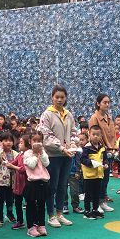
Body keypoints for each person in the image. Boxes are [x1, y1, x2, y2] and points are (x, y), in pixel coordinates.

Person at [38, 85, 75, 228]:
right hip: (53, 156)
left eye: (62, 97)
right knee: (52, 186)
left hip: (67, 156)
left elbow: (73, 131)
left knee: (62, 186)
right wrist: (61, 147)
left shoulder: (68, 114)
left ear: (66, 98)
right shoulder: (46, 115)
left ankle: (60, 213)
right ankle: (51, 215)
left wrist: (72, 144)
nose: (59, 100)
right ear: (52, 97)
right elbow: (46, 136)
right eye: (57, 97)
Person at [88, 93, 115, 212]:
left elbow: (113, 135)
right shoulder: (94, 118)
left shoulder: (109, 118)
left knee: (105, 178)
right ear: (98, 104)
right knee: (98, 179)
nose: (107, 104)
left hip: (109, 151)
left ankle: (102, 201)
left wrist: (112, 148)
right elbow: (94, 136)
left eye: (108, 102)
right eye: (104, 102)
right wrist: (104, 148)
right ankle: (96, 203)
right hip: (99, 152)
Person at [23, 132, 50, 238]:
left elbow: (46, 163)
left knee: (42, 204)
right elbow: (31, 165)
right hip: (32, 182)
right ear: (30, 142)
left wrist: (41, 153)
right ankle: (31, 227)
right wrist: (35, 154)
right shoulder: (27, 153)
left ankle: (41, 225)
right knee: (31, 205)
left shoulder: (43, 152)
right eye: (34, 140)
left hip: (43, 181)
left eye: (39, 140)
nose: (37, 143)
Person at [0, 131, 18, 227]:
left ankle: (10, 214)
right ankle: (0, 217)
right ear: (1, 142)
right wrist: (0, 149)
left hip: (12, 180)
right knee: (0, 200)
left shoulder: (15, 153)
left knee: (10, 199)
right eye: (6, 140)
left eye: (10, 140)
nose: (9, 142)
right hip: (0, 180)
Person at [80, 125, 106, 219]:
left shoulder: (102, 147)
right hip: (89, 175)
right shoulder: (87, 147)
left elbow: (104, 159)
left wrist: (106, 164)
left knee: (96, 193)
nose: (95, 136)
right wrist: (91, 163)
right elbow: (83, 159)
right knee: (88, 194)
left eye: (98, 135)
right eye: (93, 134)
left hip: (99, 174)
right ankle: (87, 211)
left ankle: (95, 210)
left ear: (101, 136)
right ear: (89, 135)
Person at [67, 131, 87, 214]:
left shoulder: (79, 152)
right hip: (64, 171)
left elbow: (78, 162)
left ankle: (75, 206)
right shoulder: (64, 150)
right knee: (62, 190)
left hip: (73, 173)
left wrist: (78, 172)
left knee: (75, 191)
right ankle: (63, 205)